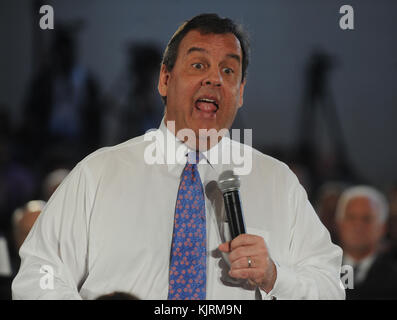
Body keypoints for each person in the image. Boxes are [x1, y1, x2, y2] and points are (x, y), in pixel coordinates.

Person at [12, 13, 344, 300]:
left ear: (240, 92)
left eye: (229, 71)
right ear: (165, 79)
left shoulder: (278, 183)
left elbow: (331, 286)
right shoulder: (99, 173)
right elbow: (39, 277)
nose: (214, 78)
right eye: (198, 64)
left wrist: (275, 276)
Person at [336, 185, 397, 299]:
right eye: (351, 217)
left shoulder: (393, 277)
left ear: (383, 227)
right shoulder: (320, 269)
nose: (358, 226)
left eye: (367, 219)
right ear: (340, 223)